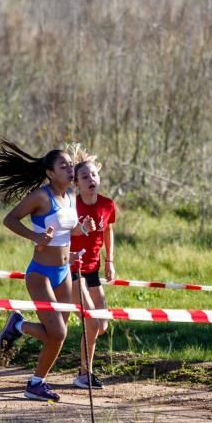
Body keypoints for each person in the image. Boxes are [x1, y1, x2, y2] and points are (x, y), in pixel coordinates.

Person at [0, 137, 96, 402]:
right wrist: (35, 237)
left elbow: (66, 229)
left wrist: (80, 229)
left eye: (70, 165)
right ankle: (19, 329)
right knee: (59, 332)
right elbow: (9, 219)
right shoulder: (41, 197)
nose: (69, 170)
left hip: (64, 271)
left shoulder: (70, 196)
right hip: (40, 274)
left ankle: (35, 379)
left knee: (56, 337)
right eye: (63, 166)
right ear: (50, 173)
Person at [69, 151, 118, 390]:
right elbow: (58, 233)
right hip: (70, 269)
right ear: (76, 183)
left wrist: (110, 260)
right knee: (91, 323)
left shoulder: (107, 205)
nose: (91, 179)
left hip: (92, 271)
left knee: (103, 324)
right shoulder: (70, 205)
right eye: (85, 176)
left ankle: (18, 325)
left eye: (94, 174)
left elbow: (108, 230)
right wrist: (78, 229)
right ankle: (83, 373)